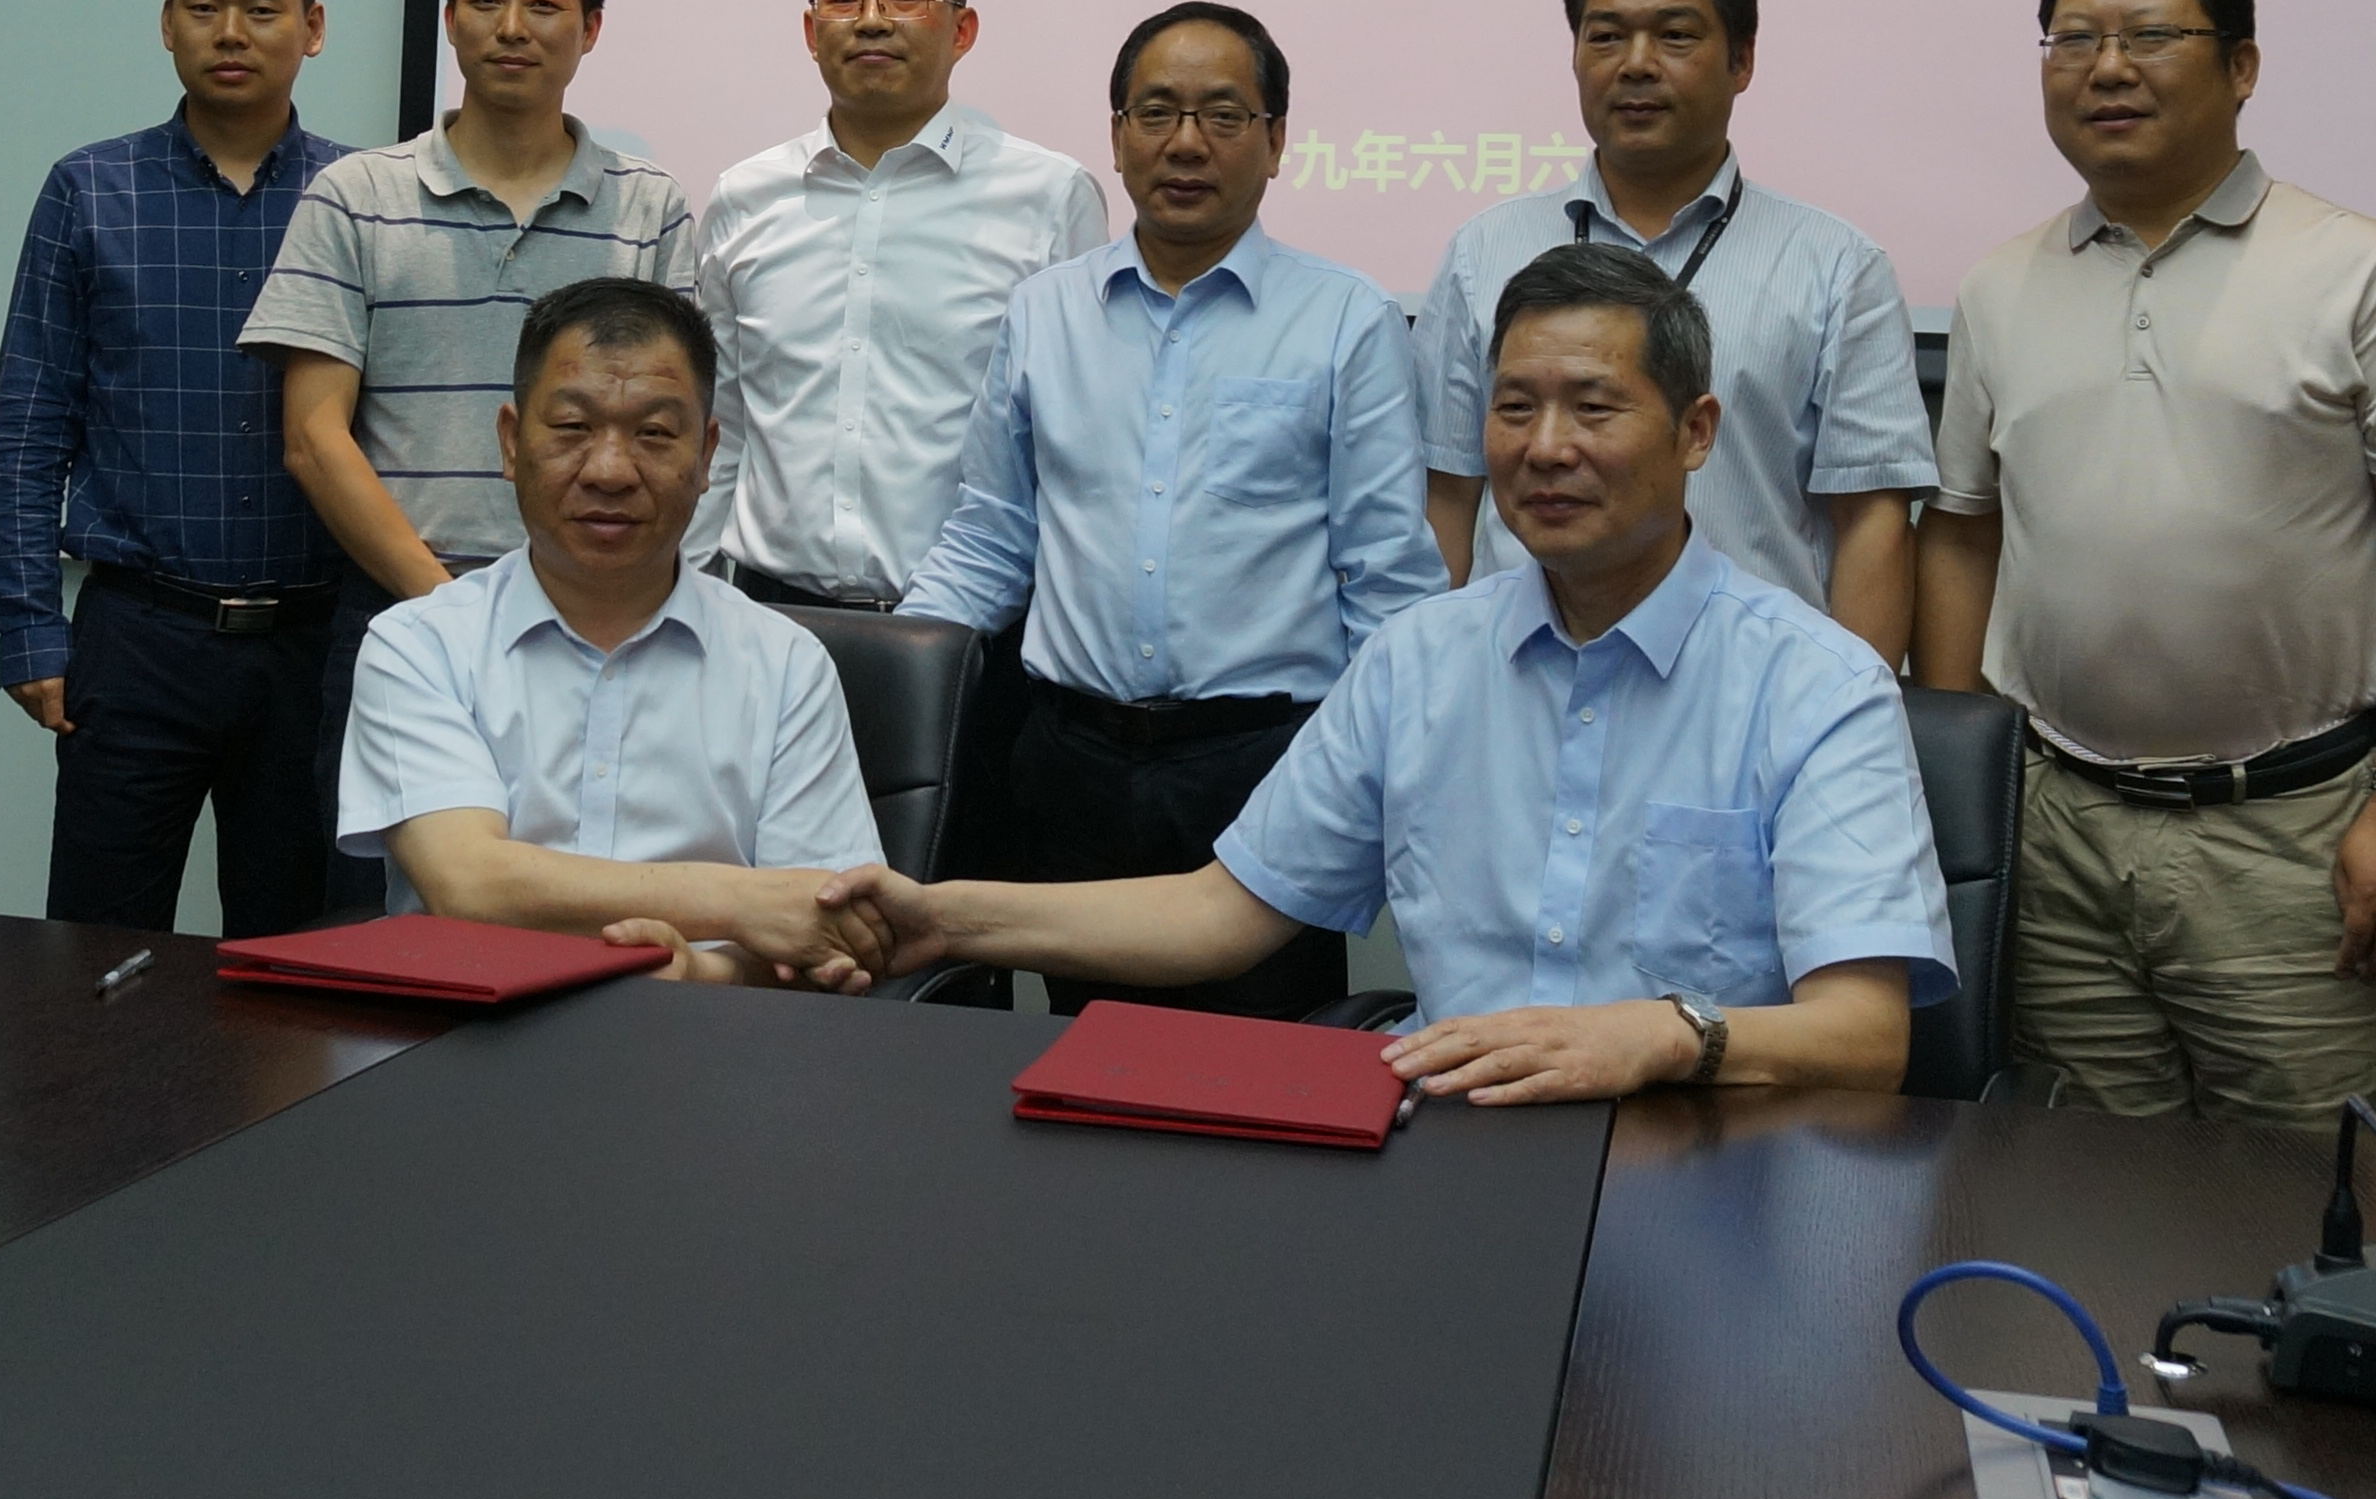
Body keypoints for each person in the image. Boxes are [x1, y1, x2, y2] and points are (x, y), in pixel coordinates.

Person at [821, 245, 1948, 1099]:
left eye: (1594, 407)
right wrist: (943, 918)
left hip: (1711, 1161)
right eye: (1514, 408)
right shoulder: (1421, 659)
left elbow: (1865, 1036)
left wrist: (1658, 1035)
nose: (1545, 448)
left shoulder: (1816, 686)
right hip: (1461, 1153)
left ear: (1696, 431)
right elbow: (1219, 915)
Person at [1917, 0, 2376, 1129]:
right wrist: (1961, 789)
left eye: (2148, 36)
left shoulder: (2360, 269)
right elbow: (1963, 532)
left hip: (2290, 834)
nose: (2106, 69)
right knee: (2082, 1197)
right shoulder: (1998, 286)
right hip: (2056, 832)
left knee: (2311, 1197)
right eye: (2074, 41)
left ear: (2240, 66)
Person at [893, 0, 1438, 1018]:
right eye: (1156, 112)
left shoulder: (1347, 319)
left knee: (1260, 1075)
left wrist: (1379, 777)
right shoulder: (1045, 312)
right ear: (1116, 136)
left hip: (1261, 766)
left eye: (1224, 115)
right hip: (1068, 763)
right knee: (1075, 1059)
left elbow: (1385, 578)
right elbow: (991, 536)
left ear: (1276, 141)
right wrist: (885, 680)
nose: (1186, 143)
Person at [245, 0, 697, 903]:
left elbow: (675, 432)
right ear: (449, 18)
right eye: (486, 1)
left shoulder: (649, 207)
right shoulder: (356, 196)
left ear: (591, 28)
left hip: (597, 621)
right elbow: (314, 436)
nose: (512, 27)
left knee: (589, 912)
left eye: (545, 4)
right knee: (374, 927)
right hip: (405, 610)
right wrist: (449, 607)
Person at [0, 0, 356, 936]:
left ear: (312, 27)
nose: (231, 32)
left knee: (296, 963)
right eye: (204, 6)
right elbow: (31, 426)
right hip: (138, 638)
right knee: (94, 959)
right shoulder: (88, 191)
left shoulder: (361, 196)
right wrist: (28, 628)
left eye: (262, 8)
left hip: (313, 648)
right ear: (166, 22)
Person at [1414, 0, 1931, 648]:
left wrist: (1854, 705)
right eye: (1606, 36)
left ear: (1741, 59)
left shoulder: (1836, 267)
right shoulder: (1483, 251)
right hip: (1519, 679)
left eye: (1675, 35)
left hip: (1753, 686)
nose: (1636, 65)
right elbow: (1448, 500)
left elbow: (1871, 524)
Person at [342, 278, 889, 988]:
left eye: (654, 434)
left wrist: (698, 972)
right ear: (511, 443)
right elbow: (470, 885)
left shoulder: (786, 664)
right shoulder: (418, 645)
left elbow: (830, 930)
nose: (609, 471)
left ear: (706, 455)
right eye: (572, 428)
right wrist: (741, 899)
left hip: (711, 1036)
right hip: (467, 1035)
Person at [694, 0, 1106, 610]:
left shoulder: (1048, 197)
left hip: (974, 623)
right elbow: (720, 426)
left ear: (962, 29)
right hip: (769, 614)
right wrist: (692, 597)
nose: (872, 20)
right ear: (811, 29)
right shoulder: (745, 198)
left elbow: (1074, 436)